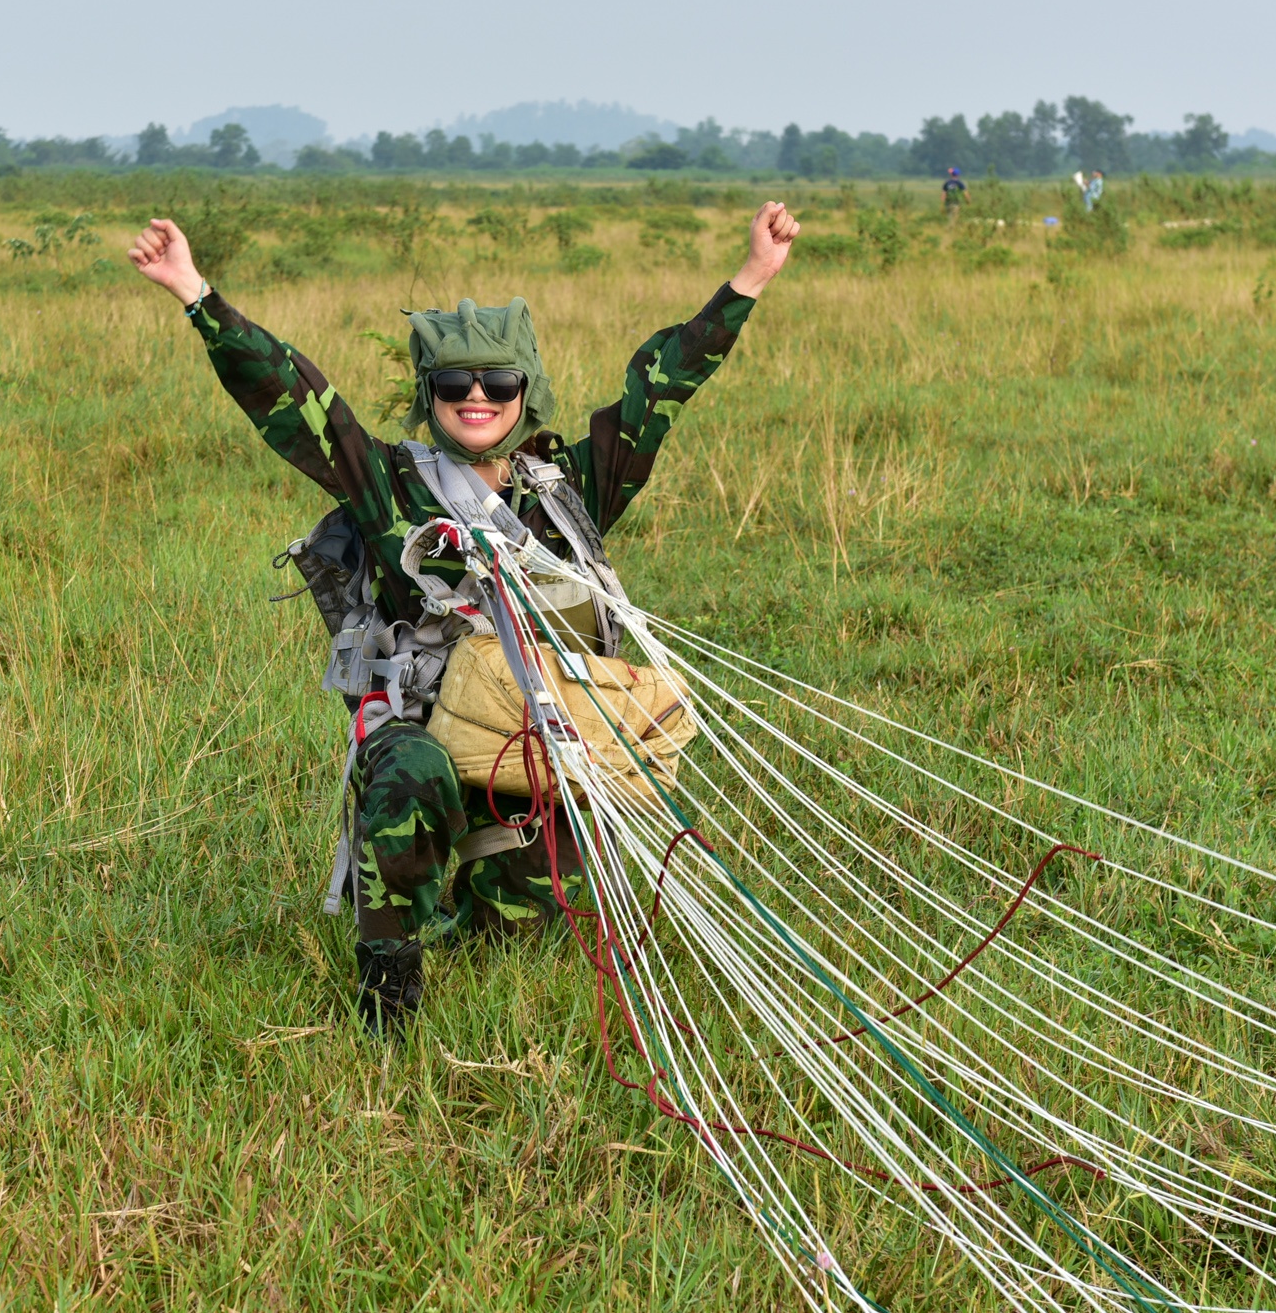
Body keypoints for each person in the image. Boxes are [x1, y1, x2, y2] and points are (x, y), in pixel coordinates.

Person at [127, 202, 800, 1029]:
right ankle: (389, 985)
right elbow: (294, 398)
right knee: (410, 773)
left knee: (524, 934)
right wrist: (196, 293)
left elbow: (658, 388)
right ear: (430, 396)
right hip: (422, 733)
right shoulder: (389, 484)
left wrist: (751, 278)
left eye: (497, 383)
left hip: (535, 735)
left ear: (527, 390)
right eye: (454, 384)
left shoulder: (567, 492)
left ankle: (486, 890)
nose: (476, 398)